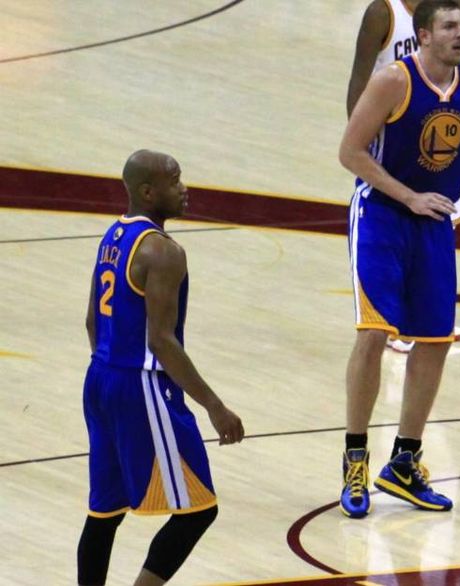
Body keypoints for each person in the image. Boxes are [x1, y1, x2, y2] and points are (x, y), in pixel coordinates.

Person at [337, 0, 460, 519]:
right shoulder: (393, 83)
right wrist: (408, 196)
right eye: (449, 26)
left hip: (435, 222)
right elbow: (350, 152)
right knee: (374, 333)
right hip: (382, 215)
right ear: (423, 35)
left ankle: (404, 461)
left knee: (434, 340)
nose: (459, 33)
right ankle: (356, 458)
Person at [77, 150, 245, 585]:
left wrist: (112, 368)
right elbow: (161, 341)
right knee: (198, 510)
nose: (184, 188)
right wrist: (215, 406)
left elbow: (92, 321)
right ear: (148, 192)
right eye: (174, 181)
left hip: (100, 377)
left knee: (105, 512)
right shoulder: (164, 251)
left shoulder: (113, 235)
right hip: (141, 386)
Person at [346, 0, 460, 354]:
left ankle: (423, 315)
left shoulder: (454, 7)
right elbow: (358, 81)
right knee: (393, 228)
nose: (458, 32)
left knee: (439, 219)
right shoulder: (382, 12)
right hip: (393, 137)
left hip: (438, 128)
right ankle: (391, 321)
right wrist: (362, 135)